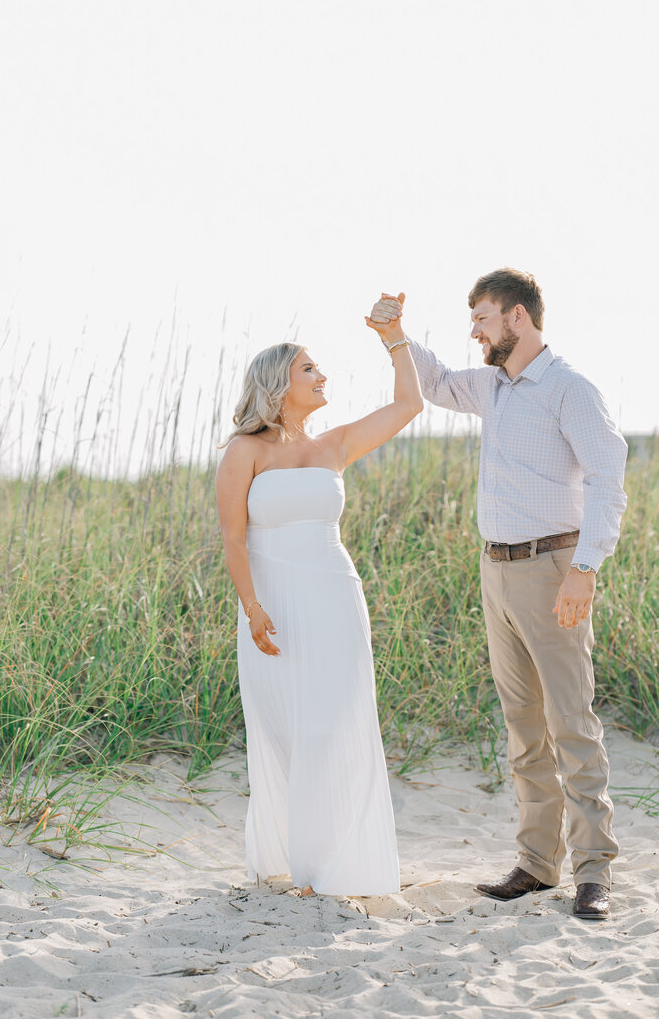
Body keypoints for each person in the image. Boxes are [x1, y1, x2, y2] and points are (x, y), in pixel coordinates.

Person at [369, 269, 627, 921]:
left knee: (572, 721)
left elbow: (607, 481)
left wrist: (585, 569)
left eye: (483, 317)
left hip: (554, 567)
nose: (475, 331)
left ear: (518, 317)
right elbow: (433, 383)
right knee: (523, 728)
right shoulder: (494, 387)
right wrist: (394, 335)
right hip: (497, 573)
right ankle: (538, 865)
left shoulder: (570, 388)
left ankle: (594, 873)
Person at [215, 296, 422, 902]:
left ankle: (332, 865)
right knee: (289, 728)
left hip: (334, 595)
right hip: (274, 602)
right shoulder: (244, 451)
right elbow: (233, 536)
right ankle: (297, 857)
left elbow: (409, 404)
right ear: (279, 382)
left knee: (337, 723)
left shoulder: (333, 446)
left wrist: (394, 336)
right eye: (309, 368)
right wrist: (252, 607)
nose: (322, 375)